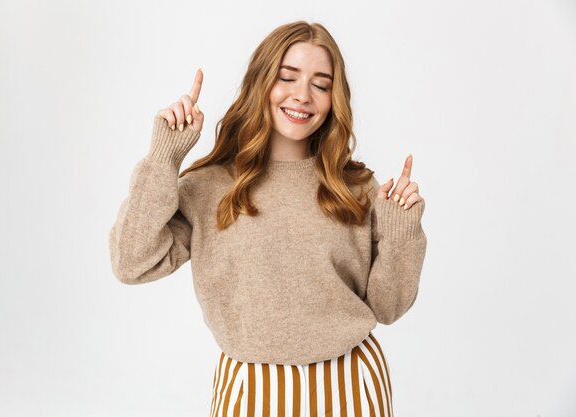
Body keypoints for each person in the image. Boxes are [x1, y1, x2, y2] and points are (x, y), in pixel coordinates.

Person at [109, 20, 427, 417]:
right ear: (261, 82)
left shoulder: (356, 188)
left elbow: (387, 307)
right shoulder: (209, 186)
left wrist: (402, 232)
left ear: (335, 99)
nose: (302, 96)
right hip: (250, 391)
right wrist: (164, 157)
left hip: (351, 386)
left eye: (321, 84)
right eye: (287, 77)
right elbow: (131, 262)